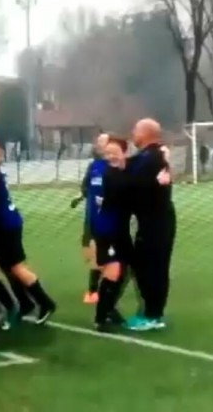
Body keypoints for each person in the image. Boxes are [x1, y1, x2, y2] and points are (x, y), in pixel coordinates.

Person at [0, 134, 56, 326]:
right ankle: (25, 303)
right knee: (6, 267)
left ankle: (46, 303)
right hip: (5, 223)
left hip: (3, 226)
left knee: (16, 267)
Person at [125, 118, 175, 332]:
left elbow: (133, 181)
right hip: (154, 219)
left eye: (136, 130)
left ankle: (153, 315)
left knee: (152, 267)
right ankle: (151, 312)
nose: (132, 133)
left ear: (146, 133)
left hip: (156, 221)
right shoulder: (152, 155)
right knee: (146, 266)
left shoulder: (152, 158)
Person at [93, 136, 133, 332]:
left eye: (114, 152)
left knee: (123, 271)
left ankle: (109, 309)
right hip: (108, 230)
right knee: (113, 270)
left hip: (119, 229)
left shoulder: (118, 172)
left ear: (124, 152)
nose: (110, 156)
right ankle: (101, 317)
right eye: (107, 153)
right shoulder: (110, 175)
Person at [71, 133, 109, 305]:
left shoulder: (116, 167)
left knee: (104, 255)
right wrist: (79, 197)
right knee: (92, 254)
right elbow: (86, 188)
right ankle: (96, 289)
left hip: (111, 219)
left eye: (104, 142)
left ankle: (95, 290)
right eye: (99, 142)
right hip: (92, 218)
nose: (99, 145)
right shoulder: (94, 166)